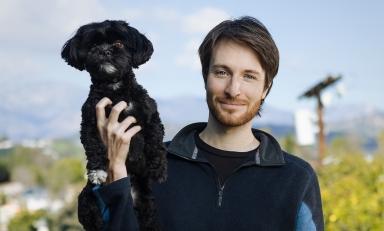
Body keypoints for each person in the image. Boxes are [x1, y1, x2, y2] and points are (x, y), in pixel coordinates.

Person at [92, 16, 324, 231]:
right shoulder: (146, 164)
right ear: (206, 77)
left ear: (266, 88)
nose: (234, 90)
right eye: (222, 72)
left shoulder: (297, 178)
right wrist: (115, 172)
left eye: (249, 76)